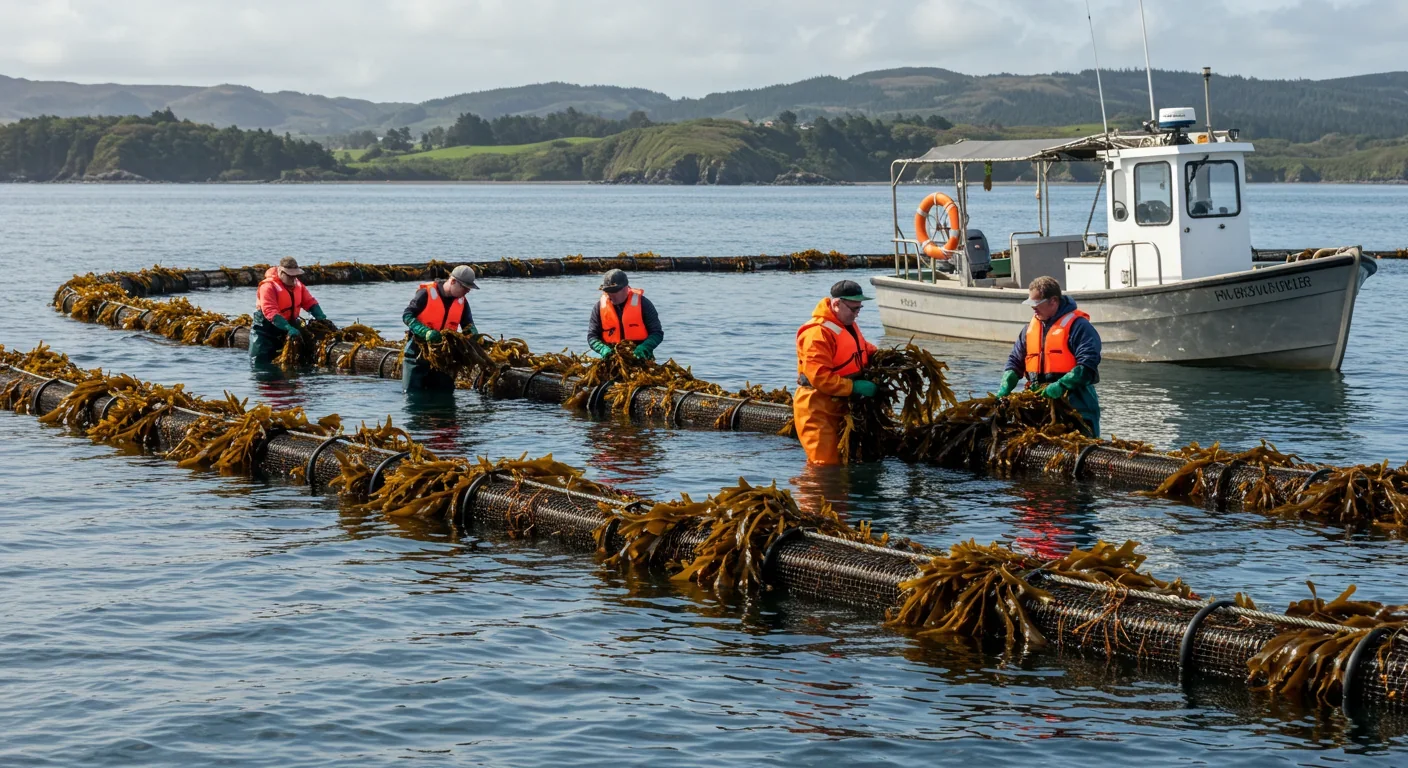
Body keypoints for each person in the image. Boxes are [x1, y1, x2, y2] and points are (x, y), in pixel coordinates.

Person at [997, 275, 1102, 436]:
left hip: (1077, 406)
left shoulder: (1079, 326)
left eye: (1037, 304)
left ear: (1053, 301)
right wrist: (1008, 380)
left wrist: (1061, 385)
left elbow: (1088, 365)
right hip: (1039, 407)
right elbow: (1015, 360)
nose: (1033, 309)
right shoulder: (1029, 330)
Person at [793, 279, 880, 465]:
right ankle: (813, 494)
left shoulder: (846, 324)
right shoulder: (817, 333)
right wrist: (854, 386)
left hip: (840, 404)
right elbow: (819, 377)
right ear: (837, 303)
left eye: (859, 309)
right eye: (853, 309)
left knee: (844, 461)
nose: (857, 314)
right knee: (824, 464)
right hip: (816, 407)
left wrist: (881, 355)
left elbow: (861, 347)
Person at [400, 264, 480, 392]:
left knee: (445, 394)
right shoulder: (426, 293)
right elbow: (407, 315)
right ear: (453, 281)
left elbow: (468, 326)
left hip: (445, 357)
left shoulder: (462, 302)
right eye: (465, 288)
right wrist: (424, 332)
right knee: (413, 396)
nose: (467, 291)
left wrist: (474, 335)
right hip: (417, 353)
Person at [250, 256, 332, 365]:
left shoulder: (298, 285)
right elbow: (270, 311)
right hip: (265, 330)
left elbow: (309, 301)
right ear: (280, 272)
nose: (293, 279)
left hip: (290, 324)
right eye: (290, 276)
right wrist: (288, 328)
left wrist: (320, 316)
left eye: (296, 275)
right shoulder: (268, 287)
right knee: (261, 363)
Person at [588, 269, 663, 360]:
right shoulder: (599, 307)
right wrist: (602, 348)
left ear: (625, 288)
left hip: (639, 355)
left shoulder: (644, 304)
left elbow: (657, 333)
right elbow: (592, 336)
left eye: (615, 291)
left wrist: (645, 347)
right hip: (610, 355)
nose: (611, 295)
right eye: (608, 291)